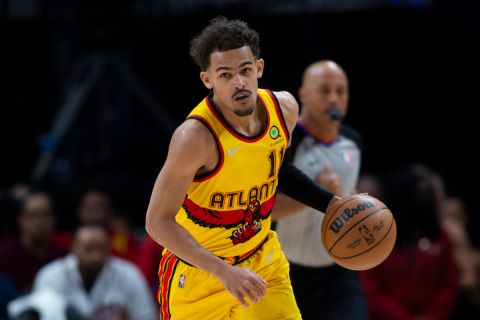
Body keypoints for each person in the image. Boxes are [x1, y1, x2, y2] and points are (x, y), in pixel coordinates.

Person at [145, 16, 341, 320]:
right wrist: (224, 271)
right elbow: (157, 222)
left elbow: (276, 170)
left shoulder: (284, 109)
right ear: (207, 80)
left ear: (259, 68)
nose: (239, 83)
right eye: (225, 74)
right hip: (201, 275)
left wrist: (331, 204)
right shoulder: (195, 138)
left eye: (245, 71)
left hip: (261, 262)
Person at [272, 60, 368, 320]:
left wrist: (361, 206)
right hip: (285, 274)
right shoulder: (284, 143)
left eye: (341, 91)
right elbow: (260, 213)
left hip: (338, 272)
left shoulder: (353, 143)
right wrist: (317, 195)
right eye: (325, 90)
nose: (334, 98)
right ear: (303, 94)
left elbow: (347, 192)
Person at [359, 164, 459, 320]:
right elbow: (371, 290)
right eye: (419, 194)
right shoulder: (378, 239)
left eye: (427, 194)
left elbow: (449, 283)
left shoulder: (440, 236)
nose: (425, 201)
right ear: (401, 197)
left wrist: (430, 316)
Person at [30, 224, 157, 320]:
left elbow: (145, 316)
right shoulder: (51, 276)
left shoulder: (128, 273)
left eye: (100, 248)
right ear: (73, 247)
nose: (96, 256)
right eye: (89, 249)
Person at [0, 191, 67, 294]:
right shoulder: (4, 254)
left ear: (54, 219)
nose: (40, 222)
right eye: (33, 216)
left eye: (45, 215)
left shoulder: (62, 257)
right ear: (21, 220)